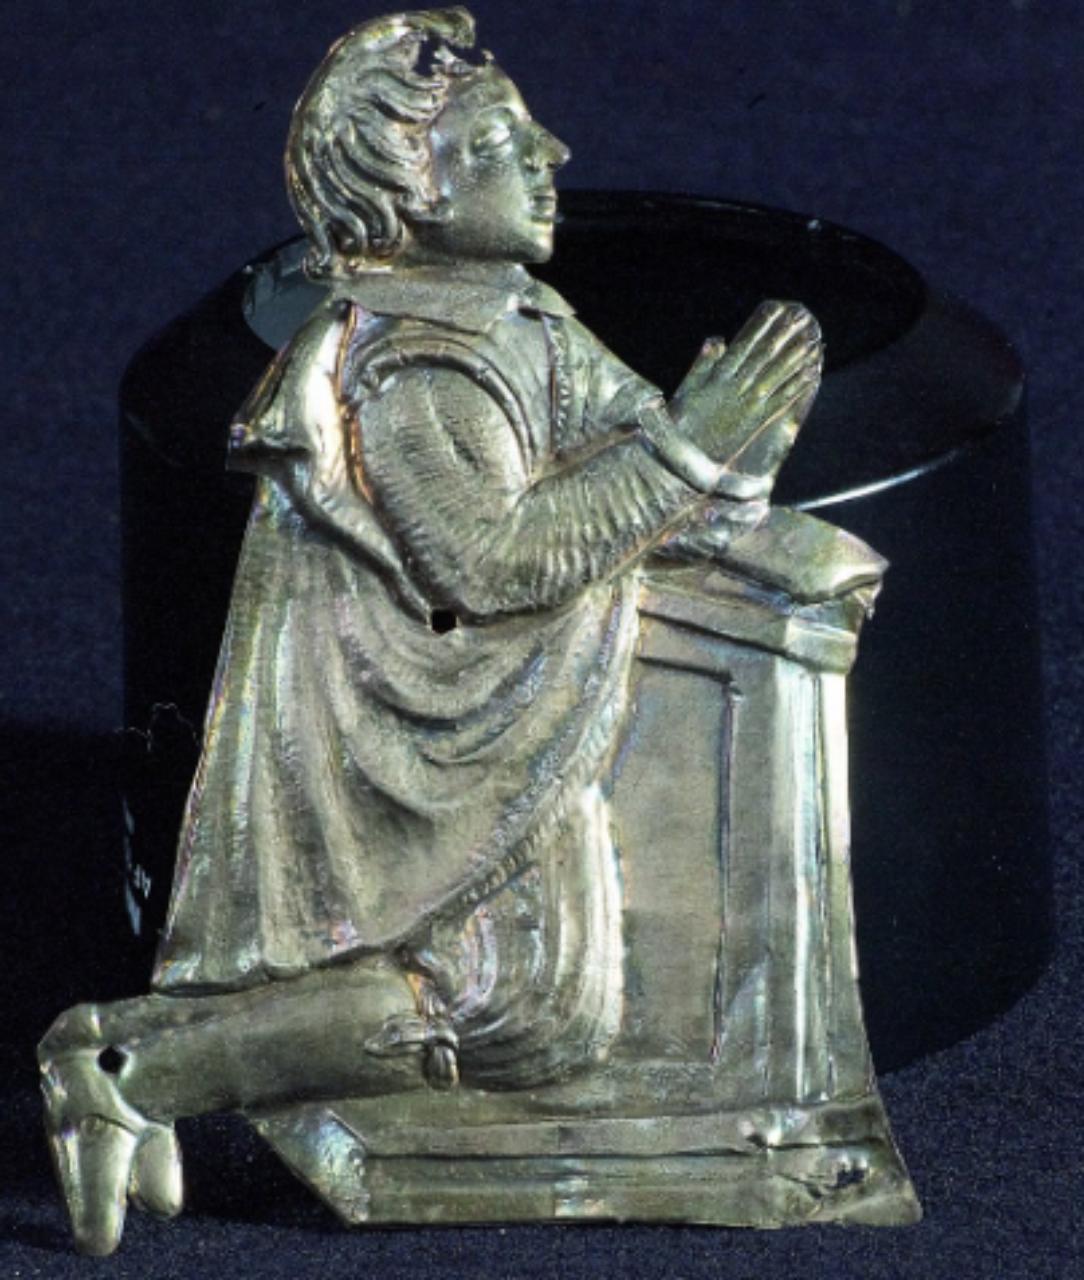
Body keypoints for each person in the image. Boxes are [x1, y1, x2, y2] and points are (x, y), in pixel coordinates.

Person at [39, 7, 823, 1255]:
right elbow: (489, 561)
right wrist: (691, 447)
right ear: (414, 185)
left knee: (539, 1004)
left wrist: (739, 442)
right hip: (420, 723)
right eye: (504, 141)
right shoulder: (410, 365)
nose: (554, 153)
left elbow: (659, 471)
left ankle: (132, 1064)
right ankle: (126, 1066)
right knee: (512, 997)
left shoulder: (523, 317)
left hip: (517, 712)